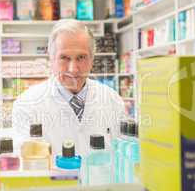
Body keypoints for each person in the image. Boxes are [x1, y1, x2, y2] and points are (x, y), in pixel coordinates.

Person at [12, 19, 125, 155]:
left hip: (101, 176)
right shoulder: (27, 104)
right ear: (52, 59)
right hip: (53, 177)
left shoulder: (112, 99)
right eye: (64, 58)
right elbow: (26, 163)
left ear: (92, 59)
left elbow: (122, 155)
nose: (73, 69)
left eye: (81, 57)